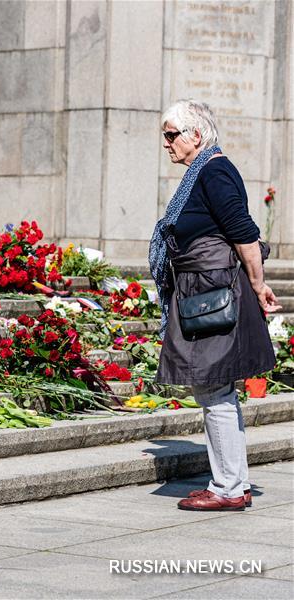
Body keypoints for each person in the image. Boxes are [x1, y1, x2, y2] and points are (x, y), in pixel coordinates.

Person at [149, 99, 281, 512]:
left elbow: (244, 232)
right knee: (215, 386)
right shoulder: (203, 171)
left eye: (172, 135)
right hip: (202, 290)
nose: (167, 143)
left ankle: (227, 487)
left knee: (212, 385)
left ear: (196, 135)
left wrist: (258, 285)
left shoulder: (215, 171)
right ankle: (233, 482)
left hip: (212, 292)